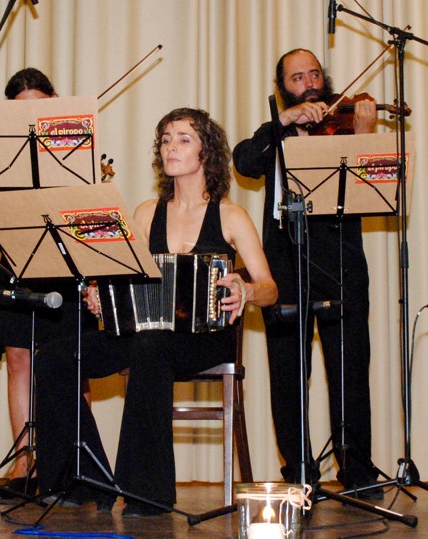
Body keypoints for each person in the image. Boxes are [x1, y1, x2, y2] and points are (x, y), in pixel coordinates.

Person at [34, 107, 278, 517]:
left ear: (206, 152)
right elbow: (120, 277)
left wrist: (247, 289)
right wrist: (99, 295)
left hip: (204, 340)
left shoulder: (230, 215)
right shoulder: (148, 213)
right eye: (165, 140)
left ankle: (147, 493)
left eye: (183, 139)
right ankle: (82, 479)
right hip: (146, 336)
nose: (171, 147)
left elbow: (270, 289)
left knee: (150, 346)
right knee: (55, 358)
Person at [232, 48, 381, 490]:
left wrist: (365, 133)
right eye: (297, 78)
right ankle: (299, 473)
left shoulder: (344, 124)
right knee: (288, 374)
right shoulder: (273, 133)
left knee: (349, 371)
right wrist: (284, 122)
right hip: (283, 264)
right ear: (283, 89)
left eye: (315, 74)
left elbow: (370, 188)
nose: (309, 83)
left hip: (341, 262)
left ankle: (357, 472)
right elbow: (244, 162)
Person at [0, 67, 96, 496]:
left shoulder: (73, 142)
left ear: (55, 100)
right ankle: (23, 462)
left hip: (67, 261)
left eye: (38, 107)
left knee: (72, 362)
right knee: (18, 358)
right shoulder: (2, 149)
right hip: (21, 254)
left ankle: (76, 464)